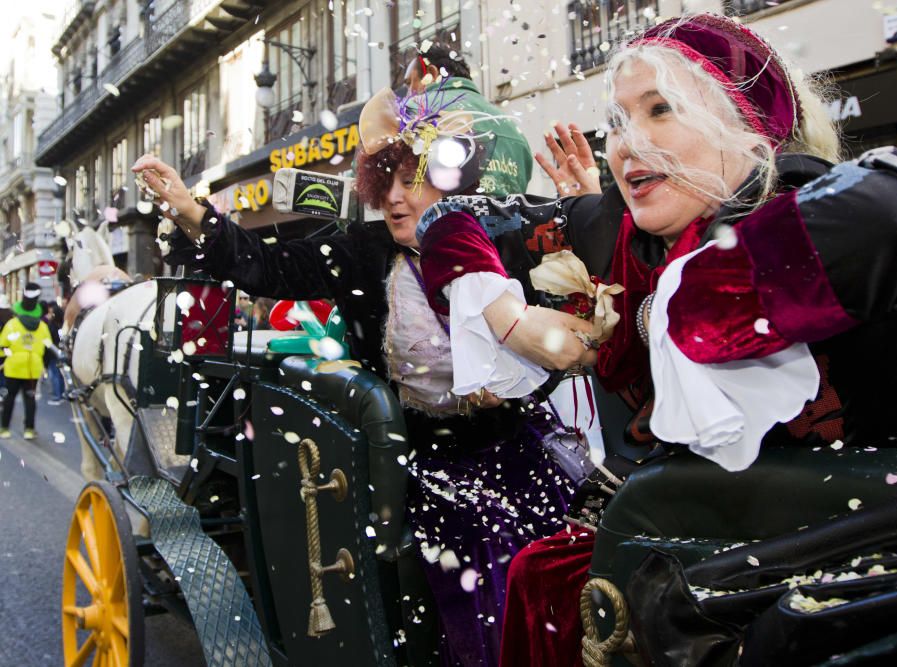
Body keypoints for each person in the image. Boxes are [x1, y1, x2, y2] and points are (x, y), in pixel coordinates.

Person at [414, 13, 897, 664]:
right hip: (693, 563)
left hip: (878, 575)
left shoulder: (805, 201)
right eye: (619, 120)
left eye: (660, 109)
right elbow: (450, 218)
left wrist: (700, 300)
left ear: (746, 123)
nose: (625, 144)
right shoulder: (615, 230)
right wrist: (515, 319)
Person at [132, 83, 596, 667]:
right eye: (387, 182)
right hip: (426, 469)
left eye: (414, 179)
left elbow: (583, 312)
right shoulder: (362, 250)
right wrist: (194, 212)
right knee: (485, 598)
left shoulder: (506, 242)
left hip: (522, 453)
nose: (396, 199)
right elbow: (268, 265)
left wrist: (586, 210)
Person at [405, 44, 533, 197]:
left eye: (410, 82)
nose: (408, 92)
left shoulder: (415, 110)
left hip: (445, 220)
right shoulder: (512, 127)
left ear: (431, 73)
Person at [0, 283, 53, 439]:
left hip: (13, 367)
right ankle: (29, 430)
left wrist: (10, 354)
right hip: (32, 368)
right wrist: (43, 363)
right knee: (30, 399)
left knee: (9, 398)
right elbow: (48, 346)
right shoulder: (42, 326)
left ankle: (4, 428)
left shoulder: (12, 325)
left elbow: (2, 345)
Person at [44, 301, 65, 404]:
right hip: (61, 351)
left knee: (55, 374)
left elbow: (48, 340)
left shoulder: (51, 325)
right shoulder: (62, 326)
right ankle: (61, 394)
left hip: (52, 352)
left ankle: (57, 396)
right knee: (60, 374)